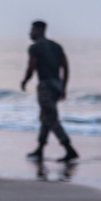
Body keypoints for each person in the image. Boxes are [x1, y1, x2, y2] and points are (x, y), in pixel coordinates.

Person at [20, 20, 79, 162]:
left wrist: (25, 80)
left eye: (32, 30)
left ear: (40, 30)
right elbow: (65, 67)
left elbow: (31, 67)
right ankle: (40, 149)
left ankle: (69, 149)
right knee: (45, 118)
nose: (30, 33)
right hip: (57, 86)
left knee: (51, 119)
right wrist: (64, 87)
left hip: (45, 86)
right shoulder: (57, 46)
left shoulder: (35, 47)